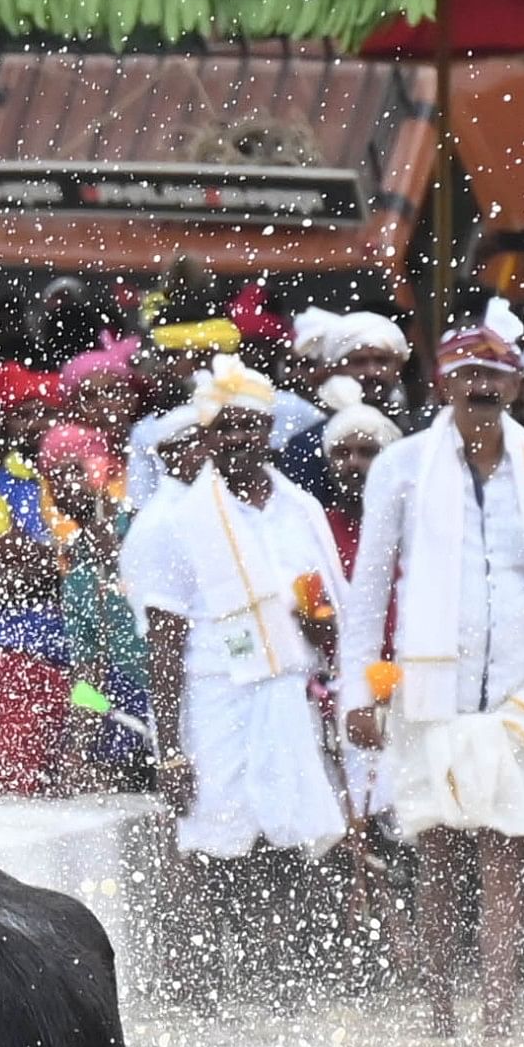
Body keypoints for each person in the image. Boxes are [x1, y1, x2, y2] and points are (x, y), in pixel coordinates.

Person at [340, 312, 524, 1035]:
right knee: (438, 853)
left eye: (493, 374)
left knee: (506, 849)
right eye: (466, 373)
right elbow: (368, 589)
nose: (480, 386)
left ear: (516, 382)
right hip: (430, 692)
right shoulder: (400, 465)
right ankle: (437, 1016)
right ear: (442, 381)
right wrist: (357, 691)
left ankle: (497, 1017)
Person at [128, 360, 351, 997]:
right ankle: (192, 982)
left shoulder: (300, 508)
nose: (236, 440)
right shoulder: (175, 519)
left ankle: (278, 977)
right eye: (223, 429)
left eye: (249, 428)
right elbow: (164, 644)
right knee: (209, 837)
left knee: (289, 833)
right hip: (212, 699)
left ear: (269, 433)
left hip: (287, 695)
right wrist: (169, 748)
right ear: (207, 434)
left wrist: (328, 649)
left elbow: (328, 610)